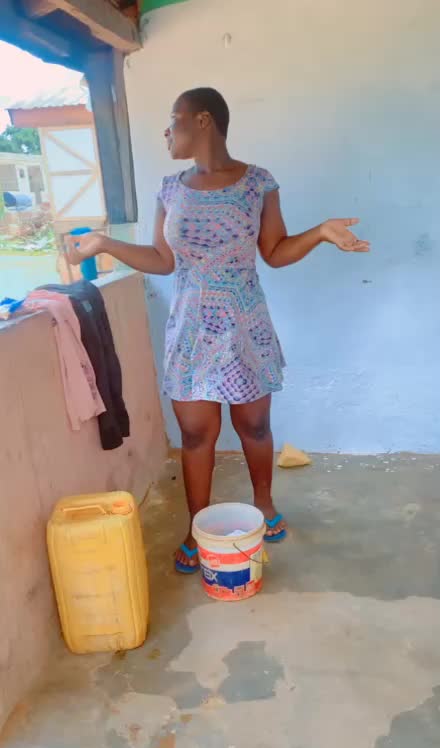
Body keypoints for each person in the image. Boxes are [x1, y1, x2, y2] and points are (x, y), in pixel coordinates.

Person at [66, 87, 370, 574]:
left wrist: (318, 233)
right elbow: (162, 260)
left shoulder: (258, 183)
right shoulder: (170, 189)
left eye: (174, 120)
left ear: (203, 120)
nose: (167, 132)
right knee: (195, 434)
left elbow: (274, 252)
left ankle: (264, 504)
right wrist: (105, 243)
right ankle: (197, 526)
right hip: (191, 331)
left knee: (254, 426)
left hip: (245, 325)